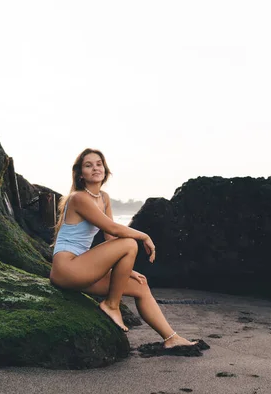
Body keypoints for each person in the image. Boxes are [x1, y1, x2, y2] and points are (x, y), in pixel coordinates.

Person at [49, 148, 197, 348]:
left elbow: (110, 238)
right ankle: (111, 305)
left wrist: (128, 270)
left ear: (105, 169)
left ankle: (171, 338)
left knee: (141, 285)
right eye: (88, 165)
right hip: (67, 268)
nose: (95, 168)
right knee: (129, 242)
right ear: (80, 173)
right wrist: (144, 236)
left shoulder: (103, 197)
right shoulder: (79, 198)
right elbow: (112, 228)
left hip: (82, 269)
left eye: (99, 164)